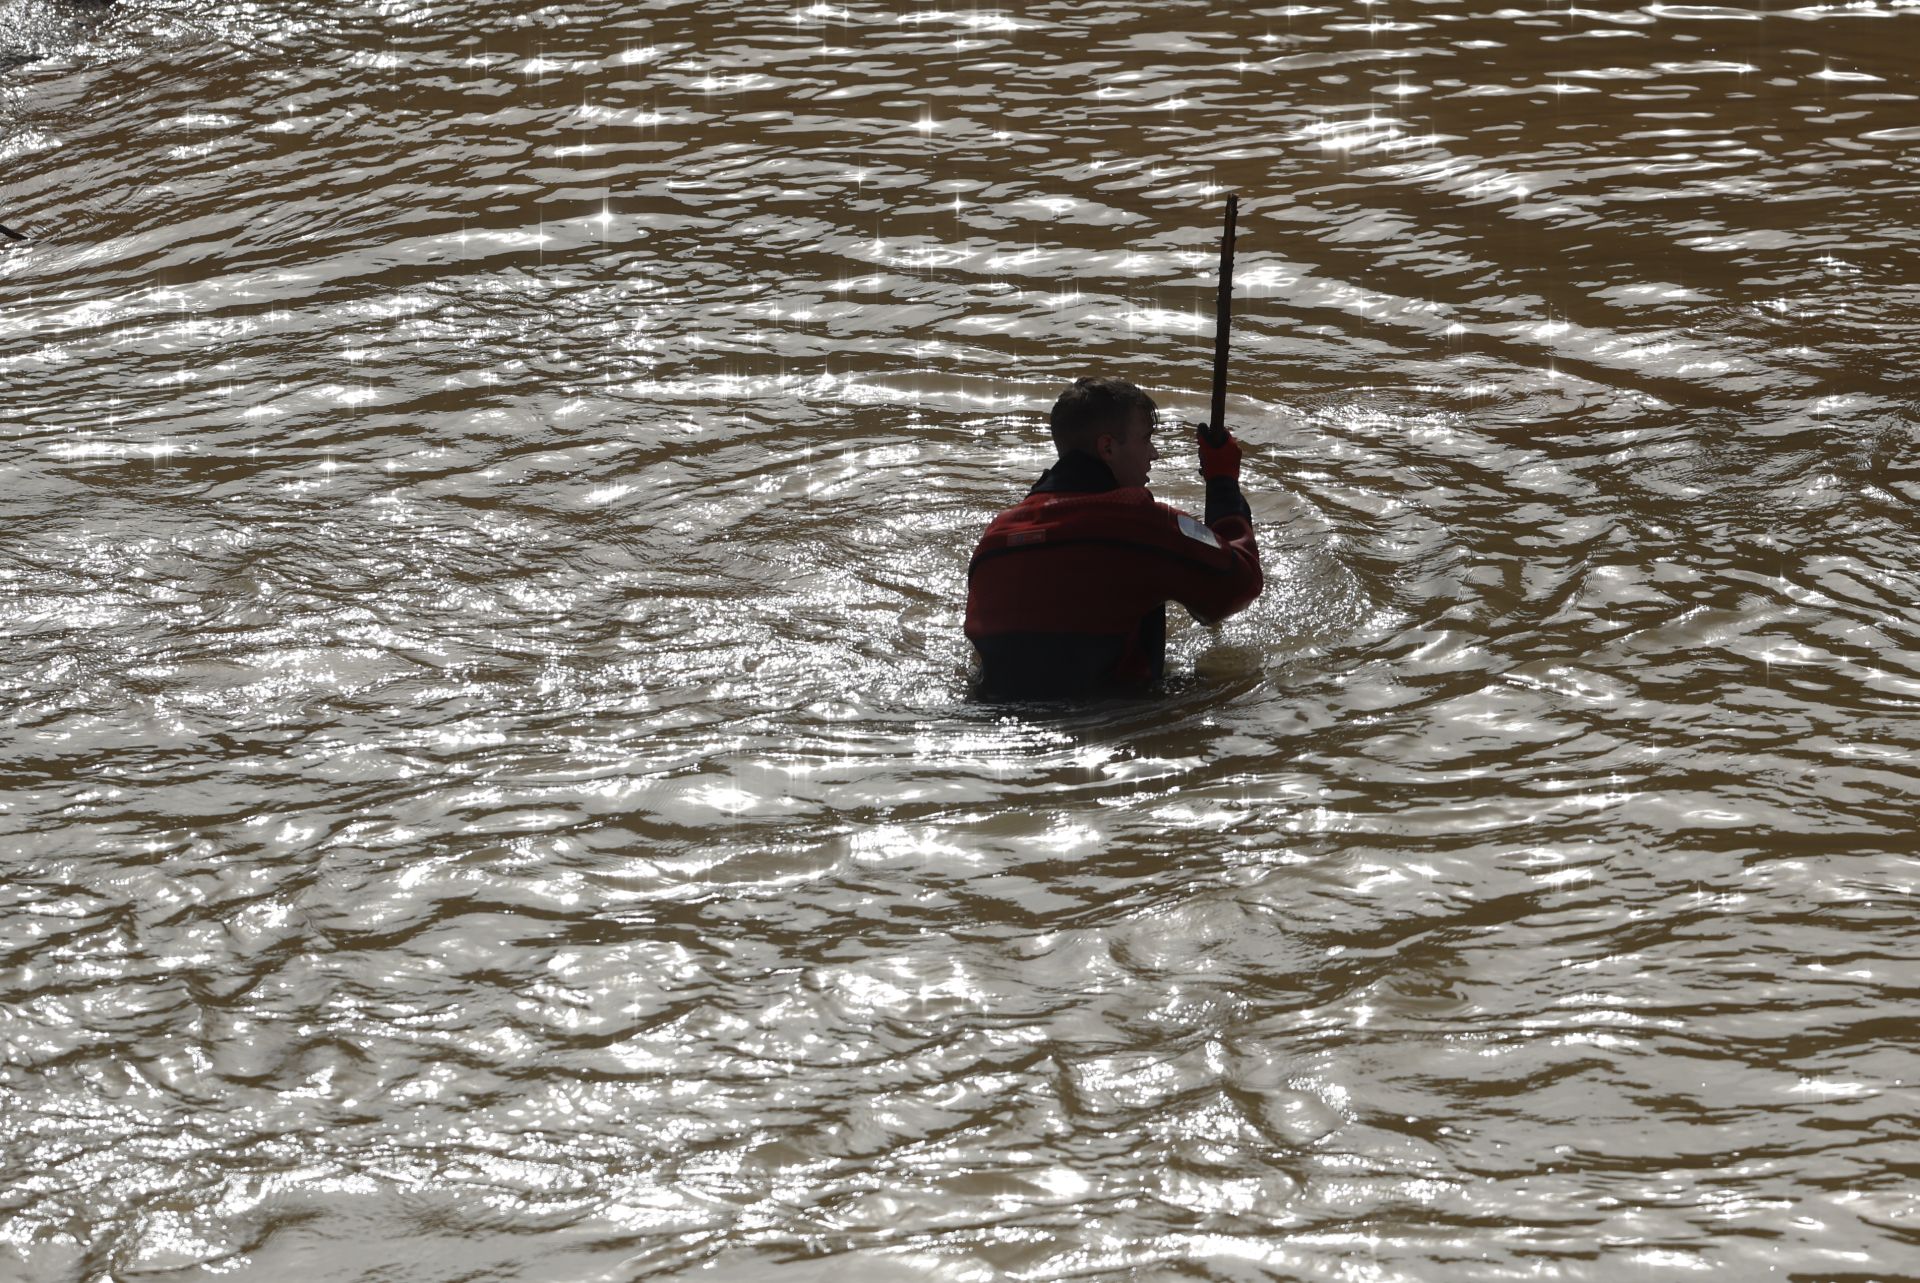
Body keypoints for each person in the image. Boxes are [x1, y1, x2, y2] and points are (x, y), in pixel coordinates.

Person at [964, 376, 1263, 699]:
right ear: (1107, 447)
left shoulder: (997, 535)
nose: (1154, 454)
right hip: (1109, 715)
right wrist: (1222, 482)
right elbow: (1239, 583)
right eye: (1146, 439)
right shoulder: (1143, 524)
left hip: (996, 712)